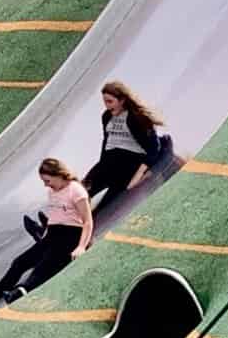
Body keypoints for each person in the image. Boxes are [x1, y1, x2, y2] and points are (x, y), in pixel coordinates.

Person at [27, 82, 170, 231]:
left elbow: (154, 149)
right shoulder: (107, 116)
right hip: (108, 164)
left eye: (110, 101)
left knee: (105, 207)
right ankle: (52, 225)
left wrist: (137, 177)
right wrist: (100, 164)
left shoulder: (137, 118)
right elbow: (107, 140)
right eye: (104, 101)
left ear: (122, 100)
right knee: (79, 191)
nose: (107, 105)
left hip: (128, 167)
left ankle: (73, 233)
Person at [0, 159, 94, 310]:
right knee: (19, 262)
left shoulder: (76, 190)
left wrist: (81, 247)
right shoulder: (52, 192)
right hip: (52, 235)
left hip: (71, 236)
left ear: (58, 174)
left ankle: (20, 292)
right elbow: (55, 216)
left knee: (43, 266)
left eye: (47, 180)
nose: (46, 185)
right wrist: (44, 238)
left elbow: (88, 221)